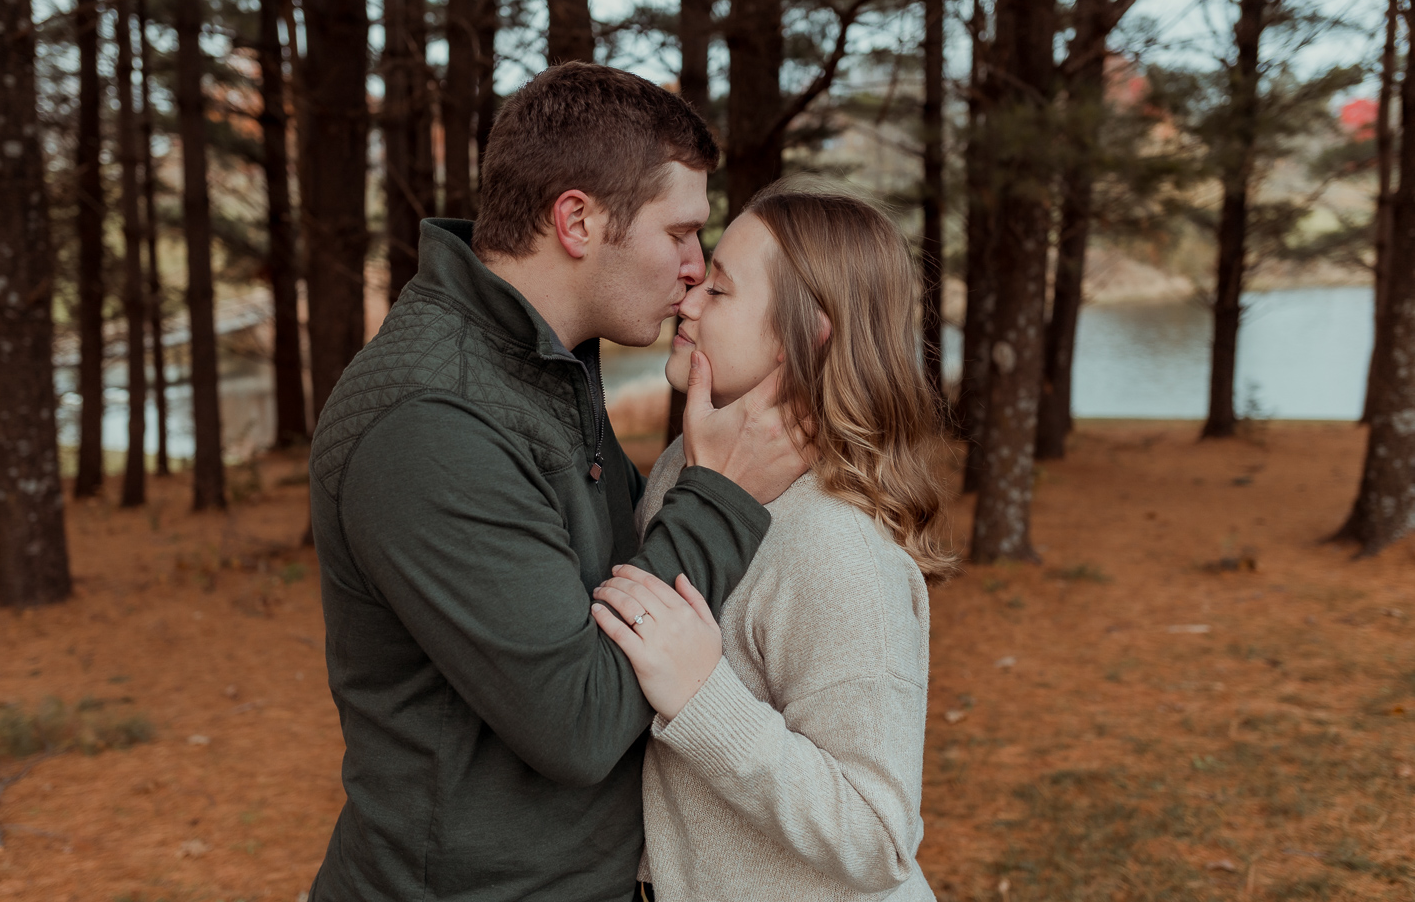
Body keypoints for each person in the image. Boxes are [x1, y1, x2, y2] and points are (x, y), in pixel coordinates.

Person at [304, 62, 809, 902]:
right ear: (576, 219)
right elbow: (576, 720)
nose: (696, 266)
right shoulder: (431, 421)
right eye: (680, 233)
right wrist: (718, 498)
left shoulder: (539, 367)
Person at [592, 181, 956, 902]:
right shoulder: (680, 469)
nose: (687, 300)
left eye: (720, 292)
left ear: (809, 331)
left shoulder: (835, 545)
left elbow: (879, 837)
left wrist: (701, 697)